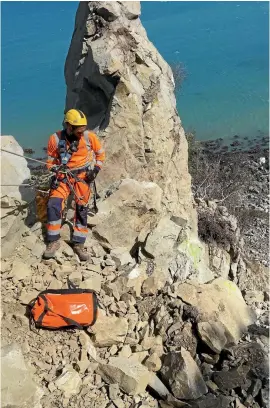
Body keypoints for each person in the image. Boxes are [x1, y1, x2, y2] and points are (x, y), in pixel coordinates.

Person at [43, 109, 105, 261]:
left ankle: (79, 243)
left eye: (83, 130)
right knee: (53, 205)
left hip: (82, 177)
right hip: (63, 176)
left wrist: (95, 170)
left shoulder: (89, 137)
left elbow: (101, 155)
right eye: (78, 131)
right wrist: (55, 168)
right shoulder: (55, 139)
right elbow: (50, 162)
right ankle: (53, 240)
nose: (81, 133)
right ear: (69, 127)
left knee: (82, 208)